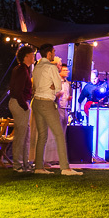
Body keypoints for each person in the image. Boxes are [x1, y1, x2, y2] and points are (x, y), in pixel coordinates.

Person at [31, 44, 80, 175]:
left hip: (36, 102)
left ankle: (39, 167)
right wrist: (52, 86)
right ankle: (65, 167)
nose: (54, 54)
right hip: (47, 102)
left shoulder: (37, 67)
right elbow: (58, 87)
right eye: (53, 52)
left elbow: (35, 85)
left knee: (42, 135)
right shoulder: (51, 67)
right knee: (59, 134)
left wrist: (50, 86)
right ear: (49, 54)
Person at [7, 46, 36, 172]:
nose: (34, 57)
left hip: (21, 102)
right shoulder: (21, 70)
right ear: (26, 56)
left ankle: (25, 162)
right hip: (20, 103)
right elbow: (17, 90)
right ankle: (18, 164)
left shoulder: (24, 69)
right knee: (21, 135)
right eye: (32, 55)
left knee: (26, 134)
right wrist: (25, 106)